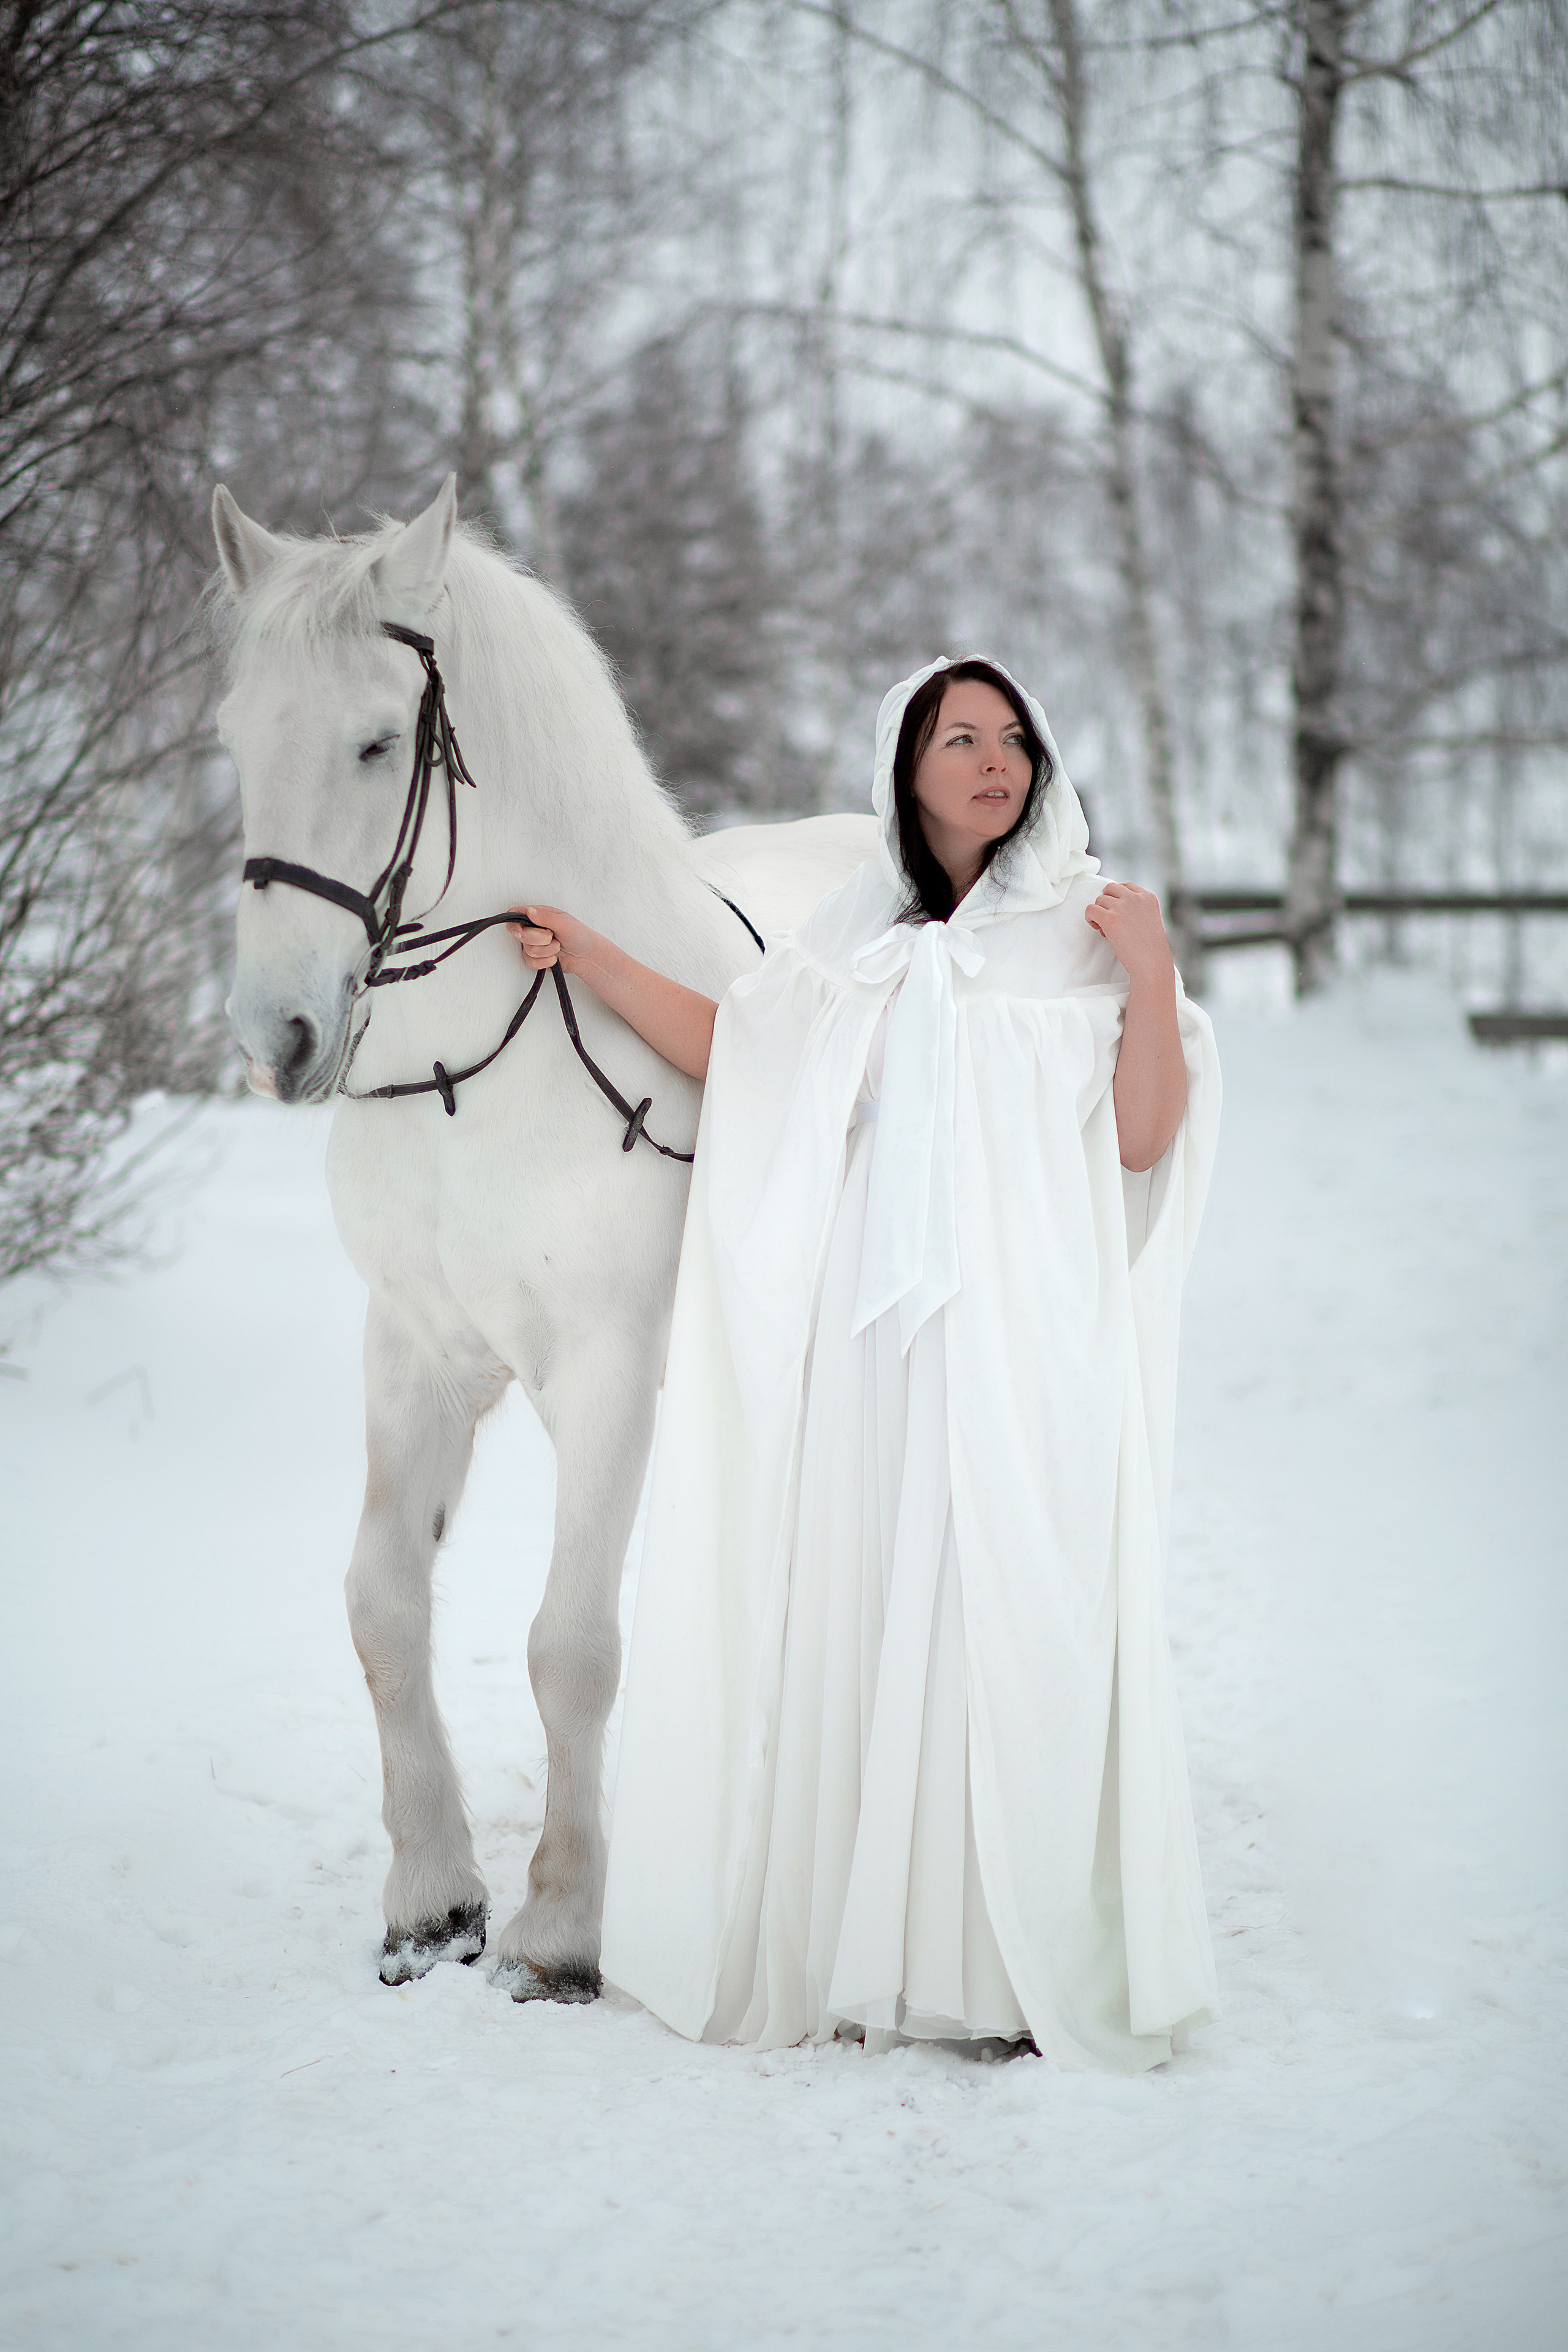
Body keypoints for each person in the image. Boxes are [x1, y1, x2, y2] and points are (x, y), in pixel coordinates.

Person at [510, 656, 1220, 2069]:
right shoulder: (857, 931)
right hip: (873, 1350)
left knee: (1007, 1617)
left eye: (1012, 737)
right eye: (959, 737)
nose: (993, 760)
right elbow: (746, 1052)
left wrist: (1147, 969)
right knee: (867, 1613)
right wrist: (589, 955)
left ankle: (1014, 1955)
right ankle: (867, 1943)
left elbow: (1140, 1140)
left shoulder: (1087, 923)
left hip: (1018, 1343)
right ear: (904, 767)